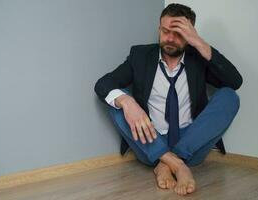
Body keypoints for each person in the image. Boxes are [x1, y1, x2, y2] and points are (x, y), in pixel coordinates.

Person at [94, 3, 242, 196]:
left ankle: (167, 163)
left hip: (192, 143)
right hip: (150, 143)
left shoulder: (198, 57)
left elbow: (234, 81)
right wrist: (127, 102)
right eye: (165, 31)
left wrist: (199, 42)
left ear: (190, 35)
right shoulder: (140, 56)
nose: (170, 38)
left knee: (230, 96)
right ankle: (177, 164)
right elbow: (103, 84)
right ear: (159, 29)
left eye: (179, 34)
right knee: (116, 100)